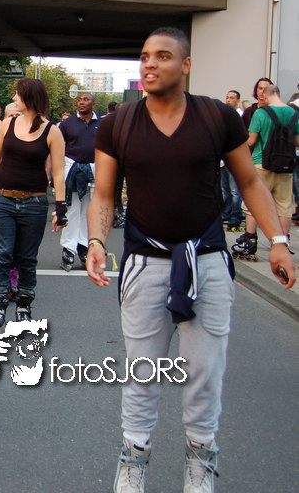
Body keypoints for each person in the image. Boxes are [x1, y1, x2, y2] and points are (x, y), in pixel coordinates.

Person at [86, 27, 295, 493]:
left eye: (163, 56)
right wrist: (97, 242)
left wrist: (279, 240)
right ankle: (133, 461)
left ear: (186, 65)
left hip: (208, 260)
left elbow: (250, 182)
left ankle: (201, 462)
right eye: (144, 56)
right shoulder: (118, 123)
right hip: (146, 260)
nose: (150, 64)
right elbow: (103, 194)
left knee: (204, 372)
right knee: (142, 370)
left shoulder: (217, 116)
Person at [0, 78, 67, 334]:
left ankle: (23, 307)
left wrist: (61, 208)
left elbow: (59, 172)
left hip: (34, 201)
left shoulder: (52, 131)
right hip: (2, 198)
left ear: (29, 97)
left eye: (18, 95)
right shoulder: (8, 124)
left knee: (27, 259)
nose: (14, 99)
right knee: (1, 255)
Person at [231, 83, 299, 259]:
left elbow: (251, 141)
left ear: (266, 96)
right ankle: (282, 242)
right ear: (279, 95)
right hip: (285, 166)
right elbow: (297, 141)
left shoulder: (261, 113)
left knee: (254, 202)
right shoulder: (294, 114)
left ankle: (250, 240)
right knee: (284, 205)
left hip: (261, 163)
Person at [58, 91, 101, 271]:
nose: (82, 102)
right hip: (72, 170)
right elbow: (58, 148)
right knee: (72, 208)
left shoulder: (102, 124)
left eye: (86, 100)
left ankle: (84, 245)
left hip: (94, 170)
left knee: (89, 210)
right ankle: (69, 248)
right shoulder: (67, 124)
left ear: (94, 104)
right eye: (80, 100)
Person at [220, 90, 244, 230]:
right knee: (225, 189)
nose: (228, 100)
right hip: (223, 158)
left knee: (235, 189)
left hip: (233, 157)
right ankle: (227, 212)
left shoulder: (240, 115)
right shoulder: (224, 115)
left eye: (232, 98)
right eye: (227, 97)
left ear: (238, 100)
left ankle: (236, 214)